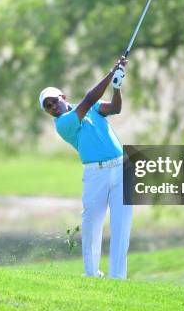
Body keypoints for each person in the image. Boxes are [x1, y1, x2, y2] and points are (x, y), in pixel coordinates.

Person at [38, 57, 132, 279]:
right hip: (95, 174)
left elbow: (115, 108)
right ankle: (91, 273)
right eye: (47, 107)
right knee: (91, 223)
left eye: (53, 101)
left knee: (121, 226)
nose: (52, 107)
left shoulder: (90, 109)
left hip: (121, 168)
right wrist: (111, 73)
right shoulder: (63, 123)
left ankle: (118, 277)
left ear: (63, 97)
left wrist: (116, 87)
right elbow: (89, 98)